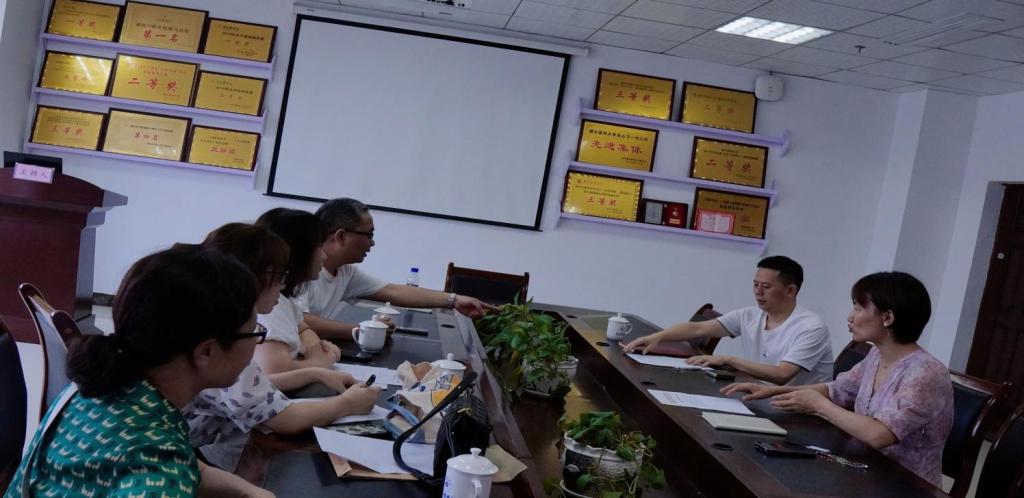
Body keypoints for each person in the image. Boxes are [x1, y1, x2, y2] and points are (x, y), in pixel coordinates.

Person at [4, 246, 273, 498]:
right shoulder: (158, 469)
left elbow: (183, 464)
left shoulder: (102, 383)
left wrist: (247, 491)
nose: (255, 343)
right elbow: (160, 467)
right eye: (252, 333)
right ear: (206, 351)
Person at [722, 272, 953, 486]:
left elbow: (879, 435)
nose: (850, 317)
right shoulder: (876, 355)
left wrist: (818, 405)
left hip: (903, 485)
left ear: (887, 317)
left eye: (858, 308)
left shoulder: (925, 373)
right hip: (862, 468)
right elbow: (837, 389)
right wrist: (772, 391)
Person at [183, 223, 381, 471]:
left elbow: (252, 385)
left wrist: (314, 373)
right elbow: (286, 419)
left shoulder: (213, 318)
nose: (284, 284)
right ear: (254, 278)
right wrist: (349, 403)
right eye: (281, 276)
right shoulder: (228, 339)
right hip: (186, 456)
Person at [299, 198, 496, 341]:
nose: (372, 243)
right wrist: (361, 330)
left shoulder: (345, 271)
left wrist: (454, 300)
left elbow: (392, 291)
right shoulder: (300, 267)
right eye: (369, 235)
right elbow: (300, 321)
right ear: (341, 236)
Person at [624, 256, 833, 385]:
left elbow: (782, 375)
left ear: (790, 291)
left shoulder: (810, 328)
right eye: (755, 284)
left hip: (801, 413)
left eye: (766, 287)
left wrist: (730, 360)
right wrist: (657, 337)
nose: (758, 292)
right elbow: (697, 329)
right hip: (758, 394)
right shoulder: (750, 315)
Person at [252, 208, 344, 374]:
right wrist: (320, 362)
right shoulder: (270, 306)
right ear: (299, 253)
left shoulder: (284, 297)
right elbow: (274, 370)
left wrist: (316, 352)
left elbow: (303, 329)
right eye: (319, 247)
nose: (324, 256)